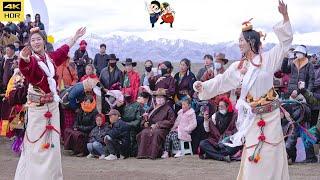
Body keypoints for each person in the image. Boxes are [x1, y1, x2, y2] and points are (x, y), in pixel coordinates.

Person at [193, 1, 292, 179]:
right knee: (253, 155)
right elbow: (222, 82)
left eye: (241, 40)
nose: (239, 43)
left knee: (271, 154)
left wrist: (285, 16)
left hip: (270, 115)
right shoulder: (239, 67)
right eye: (239, 40)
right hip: (252, 118)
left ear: (251, 42)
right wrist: (203, 86)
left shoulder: (268, 59)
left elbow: (285, 43)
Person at [15, 26, 86, 180]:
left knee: (52, 144)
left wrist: (74, 38)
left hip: (52, 106)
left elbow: (63, 50)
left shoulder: (51, 58)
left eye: (38, 39)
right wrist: (24, 59)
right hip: (37, 109)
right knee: (36, 145)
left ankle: (51, 176)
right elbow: (26, 68)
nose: (35, 42)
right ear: (30, 44)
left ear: (44, 41)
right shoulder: (32, 61)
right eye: (32, 40)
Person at [199, 97, 239, 161]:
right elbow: (207, 130)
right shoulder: (215, 115)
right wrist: (206, 120)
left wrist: (228, 135)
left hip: (228, 141)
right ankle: (222, 157)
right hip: (216, 141)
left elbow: (237, 129)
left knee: (232, 148)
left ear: (227, 106)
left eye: (222, 106)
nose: (220, 108)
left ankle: (210, 155)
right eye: (219, 106)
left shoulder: (234, 115)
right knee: (203, 143)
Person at [137, 93, 176, 159]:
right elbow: (146, 118)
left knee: (155, 133)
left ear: (165, 99)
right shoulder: (152, 108)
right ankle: (143, 154)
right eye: (158, 97)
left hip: (163, 129)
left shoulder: (168, 108)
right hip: (151, 127)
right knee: (144, 132)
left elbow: (171, 121)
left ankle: (154, 154)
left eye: (161, 97)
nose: (159, 99)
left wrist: (158, 124)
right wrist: (144, 123)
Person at [118, 91, 142, 157]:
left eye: (128, 96)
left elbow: (138, 120)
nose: (127, 98)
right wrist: (118, 107)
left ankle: (129, 152)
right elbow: (117, 116)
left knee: (130, 133)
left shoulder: (137, 105)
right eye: (125, 96)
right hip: (123, 124)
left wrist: (128, 124)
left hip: (133, 126)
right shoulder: (122, 105)